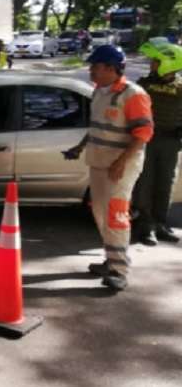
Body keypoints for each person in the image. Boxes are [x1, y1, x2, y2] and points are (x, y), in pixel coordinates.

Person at [64, 45, 153, 292]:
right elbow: (96, 128)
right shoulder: (100, 92)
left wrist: (121, 162)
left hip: (119, 166)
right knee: (101, 214)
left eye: (95, 66)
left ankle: (118, 270)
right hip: (99, 162)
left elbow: (144, 133)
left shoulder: (133, 94)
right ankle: (111, 260)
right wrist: (80, 147)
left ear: (111, 68)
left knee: (115, 216)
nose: (90, 70)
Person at [130, 42, 182, 246]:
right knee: (145, 183)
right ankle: (146, 225)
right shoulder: (144, 85)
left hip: (171, 142)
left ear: (168, 64)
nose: (151, 64)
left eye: (156, 61)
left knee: (166, 183)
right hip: (147, 140)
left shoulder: (180, 88)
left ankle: (160, 223)